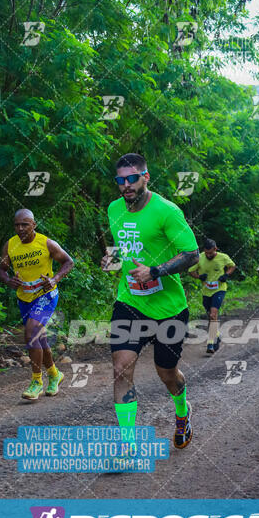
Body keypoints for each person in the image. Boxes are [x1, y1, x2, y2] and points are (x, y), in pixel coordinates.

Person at [103, 153, 199, 449]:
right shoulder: (114, 209)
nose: (126, 185)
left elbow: (191, 254)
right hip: (130, 302)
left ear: (146, 176)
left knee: (166, 373)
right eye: (121, 180)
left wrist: (155, 271)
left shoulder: (167, 212)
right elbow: (123, 246)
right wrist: (112, 259)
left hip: (168, 308)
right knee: (121, 368)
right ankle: (127, 444)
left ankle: (182, 411)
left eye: (132, 178)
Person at [0, 209, 74, 400]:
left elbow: (68, 262)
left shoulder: (46, 243)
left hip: (46, 295)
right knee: (39, 339)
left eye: (25, 224)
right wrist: (8, 281)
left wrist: (55, 279)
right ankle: (55, 375)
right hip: (25, 298)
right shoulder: (10, 245)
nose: (20, 228)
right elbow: (1, 269)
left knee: (31, 332)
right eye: (17, 225)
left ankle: (36, 382)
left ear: (34, 225)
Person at [188, 239, 236, 353]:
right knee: (211, 316)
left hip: (219, 289)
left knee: (213, 315)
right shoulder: (200, 258)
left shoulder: (223, 257)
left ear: (215, 249)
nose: (208, 255)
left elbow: (232, 266)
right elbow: (190, 271)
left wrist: (226, 275)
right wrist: (199, 277)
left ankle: (210, 343)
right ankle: (217, 335)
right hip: (206, 291)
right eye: (206, 253)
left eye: (211, 253)